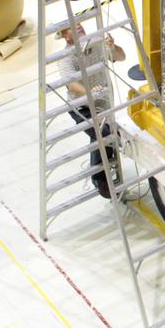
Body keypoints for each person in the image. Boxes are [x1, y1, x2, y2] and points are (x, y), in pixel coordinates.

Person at [58, 23, 126, 199]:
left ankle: (104, 173)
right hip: (82, 107)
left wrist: (113, 47)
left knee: (103, 136)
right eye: (71, 26)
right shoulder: (65, 57)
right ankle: (99, 178)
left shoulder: (96, 42)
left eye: (78, 23)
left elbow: (121, 57)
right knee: (103, 134)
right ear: (65, 36)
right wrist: (89, 91)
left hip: (102, 103)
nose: (78, 26)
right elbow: (70, 83)